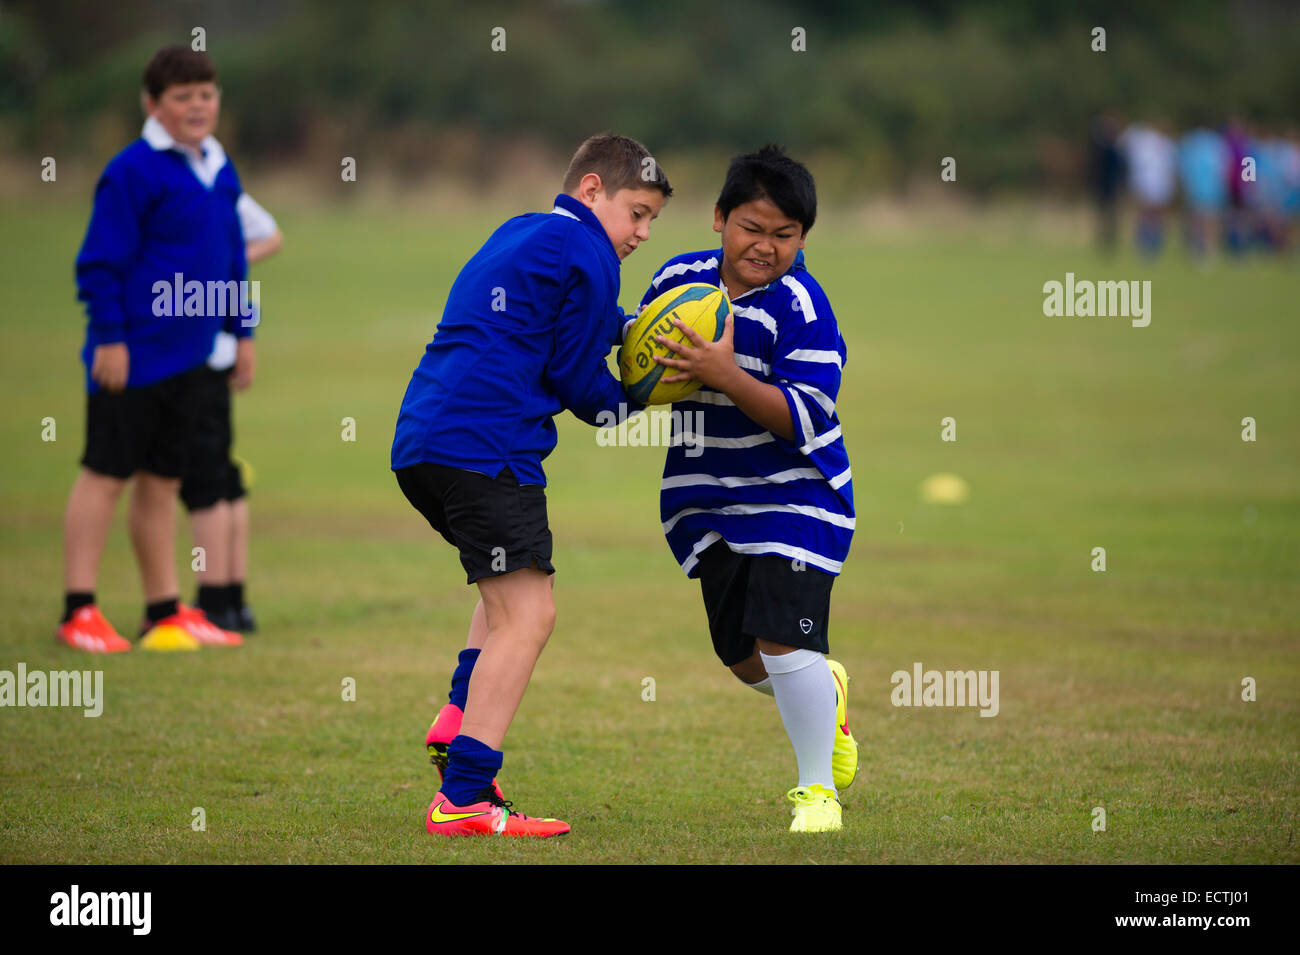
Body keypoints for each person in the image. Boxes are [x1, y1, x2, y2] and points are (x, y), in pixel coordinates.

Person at [392, 133, 670, 837]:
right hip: (488, 448)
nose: (640, 234)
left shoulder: (522, 232)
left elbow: (554, 325)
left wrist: (633, 328)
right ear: (591, 192)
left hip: (424, 442)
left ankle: (457, 718)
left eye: (651, 222)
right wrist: (654, 392)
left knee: (508, 588)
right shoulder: (590, 253)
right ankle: (465, 797)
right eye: (636, 213)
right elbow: (581, 386)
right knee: (530, 614)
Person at [636, 145, 857, 832]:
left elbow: (803, 416)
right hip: (708, 499)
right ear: (719, 219)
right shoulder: (678, 280)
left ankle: (817, 791)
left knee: (784, 642)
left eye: (784, 235)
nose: (765, 247)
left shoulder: (801, 305)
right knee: (742, 657)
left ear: (803, 239)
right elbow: (640, 367)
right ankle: (829, 689)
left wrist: (725, 373)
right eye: (752, 228)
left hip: (797, 496)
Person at [57, 46, 251, 653]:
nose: (198, 106)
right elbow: (99, 265)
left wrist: (241, 333)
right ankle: (78, 608)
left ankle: (163, 610)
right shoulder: (132, 170)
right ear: (153, 104)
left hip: (195, 356)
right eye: (182, 96)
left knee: (164, 482)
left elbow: (234, 258)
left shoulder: (220, 167)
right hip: (134, 352)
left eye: (207, 94)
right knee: (105, 475)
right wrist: (110, 338)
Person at [183, 194, 282, 633]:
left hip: (195, 355)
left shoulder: (212, 181)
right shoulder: (212, 179)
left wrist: (218, 266)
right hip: (208, 348)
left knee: (205, 477)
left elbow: (270, 237)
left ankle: (215, 602)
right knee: (220, 473)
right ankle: (232, 601)